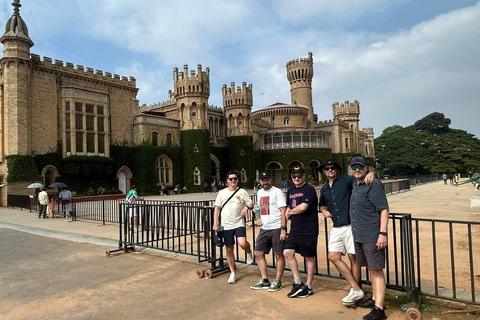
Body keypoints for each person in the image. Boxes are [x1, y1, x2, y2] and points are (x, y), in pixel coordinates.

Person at [319, 159, 373, 306]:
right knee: (333, 256)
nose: (330, 170)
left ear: (337, 169)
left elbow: (359, 176)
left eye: (332, 168)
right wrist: (324, 211)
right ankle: (356, 289)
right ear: (324, 171)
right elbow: (321, 205)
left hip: (350, 225)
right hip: (336, 226)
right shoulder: (324, 189)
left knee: (353, 258)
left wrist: (371, 173)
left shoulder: (346, 180)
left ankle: (355, 290)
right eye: (327, 168)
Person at [349, 157, 389, 320]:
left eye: (360, 167)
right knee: (371, 269)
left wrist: (383, 233)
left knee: (376, 270)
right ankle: (375, 300)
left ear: (366, 168)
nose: (357, 170)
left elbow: (384, 209)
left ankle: (379, 309)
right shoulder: (355, 184)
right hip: (359, 235)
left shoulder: (374, 184)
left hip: (372, 235)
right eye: (354, 167)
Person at [213, 171, 254, 284]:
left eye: (235, 179)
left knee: (242, 243)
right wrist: (215, 223)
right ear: (227, 181)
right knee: (229, 249)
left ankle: (249, 251)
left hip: (238, 223)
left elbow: (251, 204)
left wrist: (246, 207)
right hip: (226, 225)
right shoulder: (221, 193)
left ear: (238, 180)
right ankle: (232, 272)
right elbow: (217, 208)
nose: (233, 181)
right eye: (231, 179)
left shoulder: (242, 192)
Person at [283, 166, 318, 298]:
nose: (296, 179)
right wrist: (288, 209)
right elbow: (289, 204)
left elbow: (303, 207)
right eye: (294, 177)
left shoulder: (309, 189)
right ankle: (297, 282)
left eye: (299, 176)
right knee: (287, 252)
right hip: (295, 229)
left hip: (308, 228)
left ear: (304, 176)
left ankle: (308, 286)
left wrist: (291, 211)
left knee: (309, 257)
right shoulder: (291, 189)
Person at [250, 171, 287, 292]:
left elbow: (283, 210)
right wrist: (257, 211)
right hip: (265, 227)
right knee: (258, 253)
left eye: (267, 179)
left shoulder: (277, 192)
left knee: (278, 254)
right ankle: (265, 279)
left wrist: (283, 229)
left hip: (276, 227)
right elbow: (262, 208)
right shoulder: (260, 192)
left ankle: (277, 280)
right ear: (260, 181)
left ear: (270, 179)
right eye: (263, 180)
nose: (265, 182)